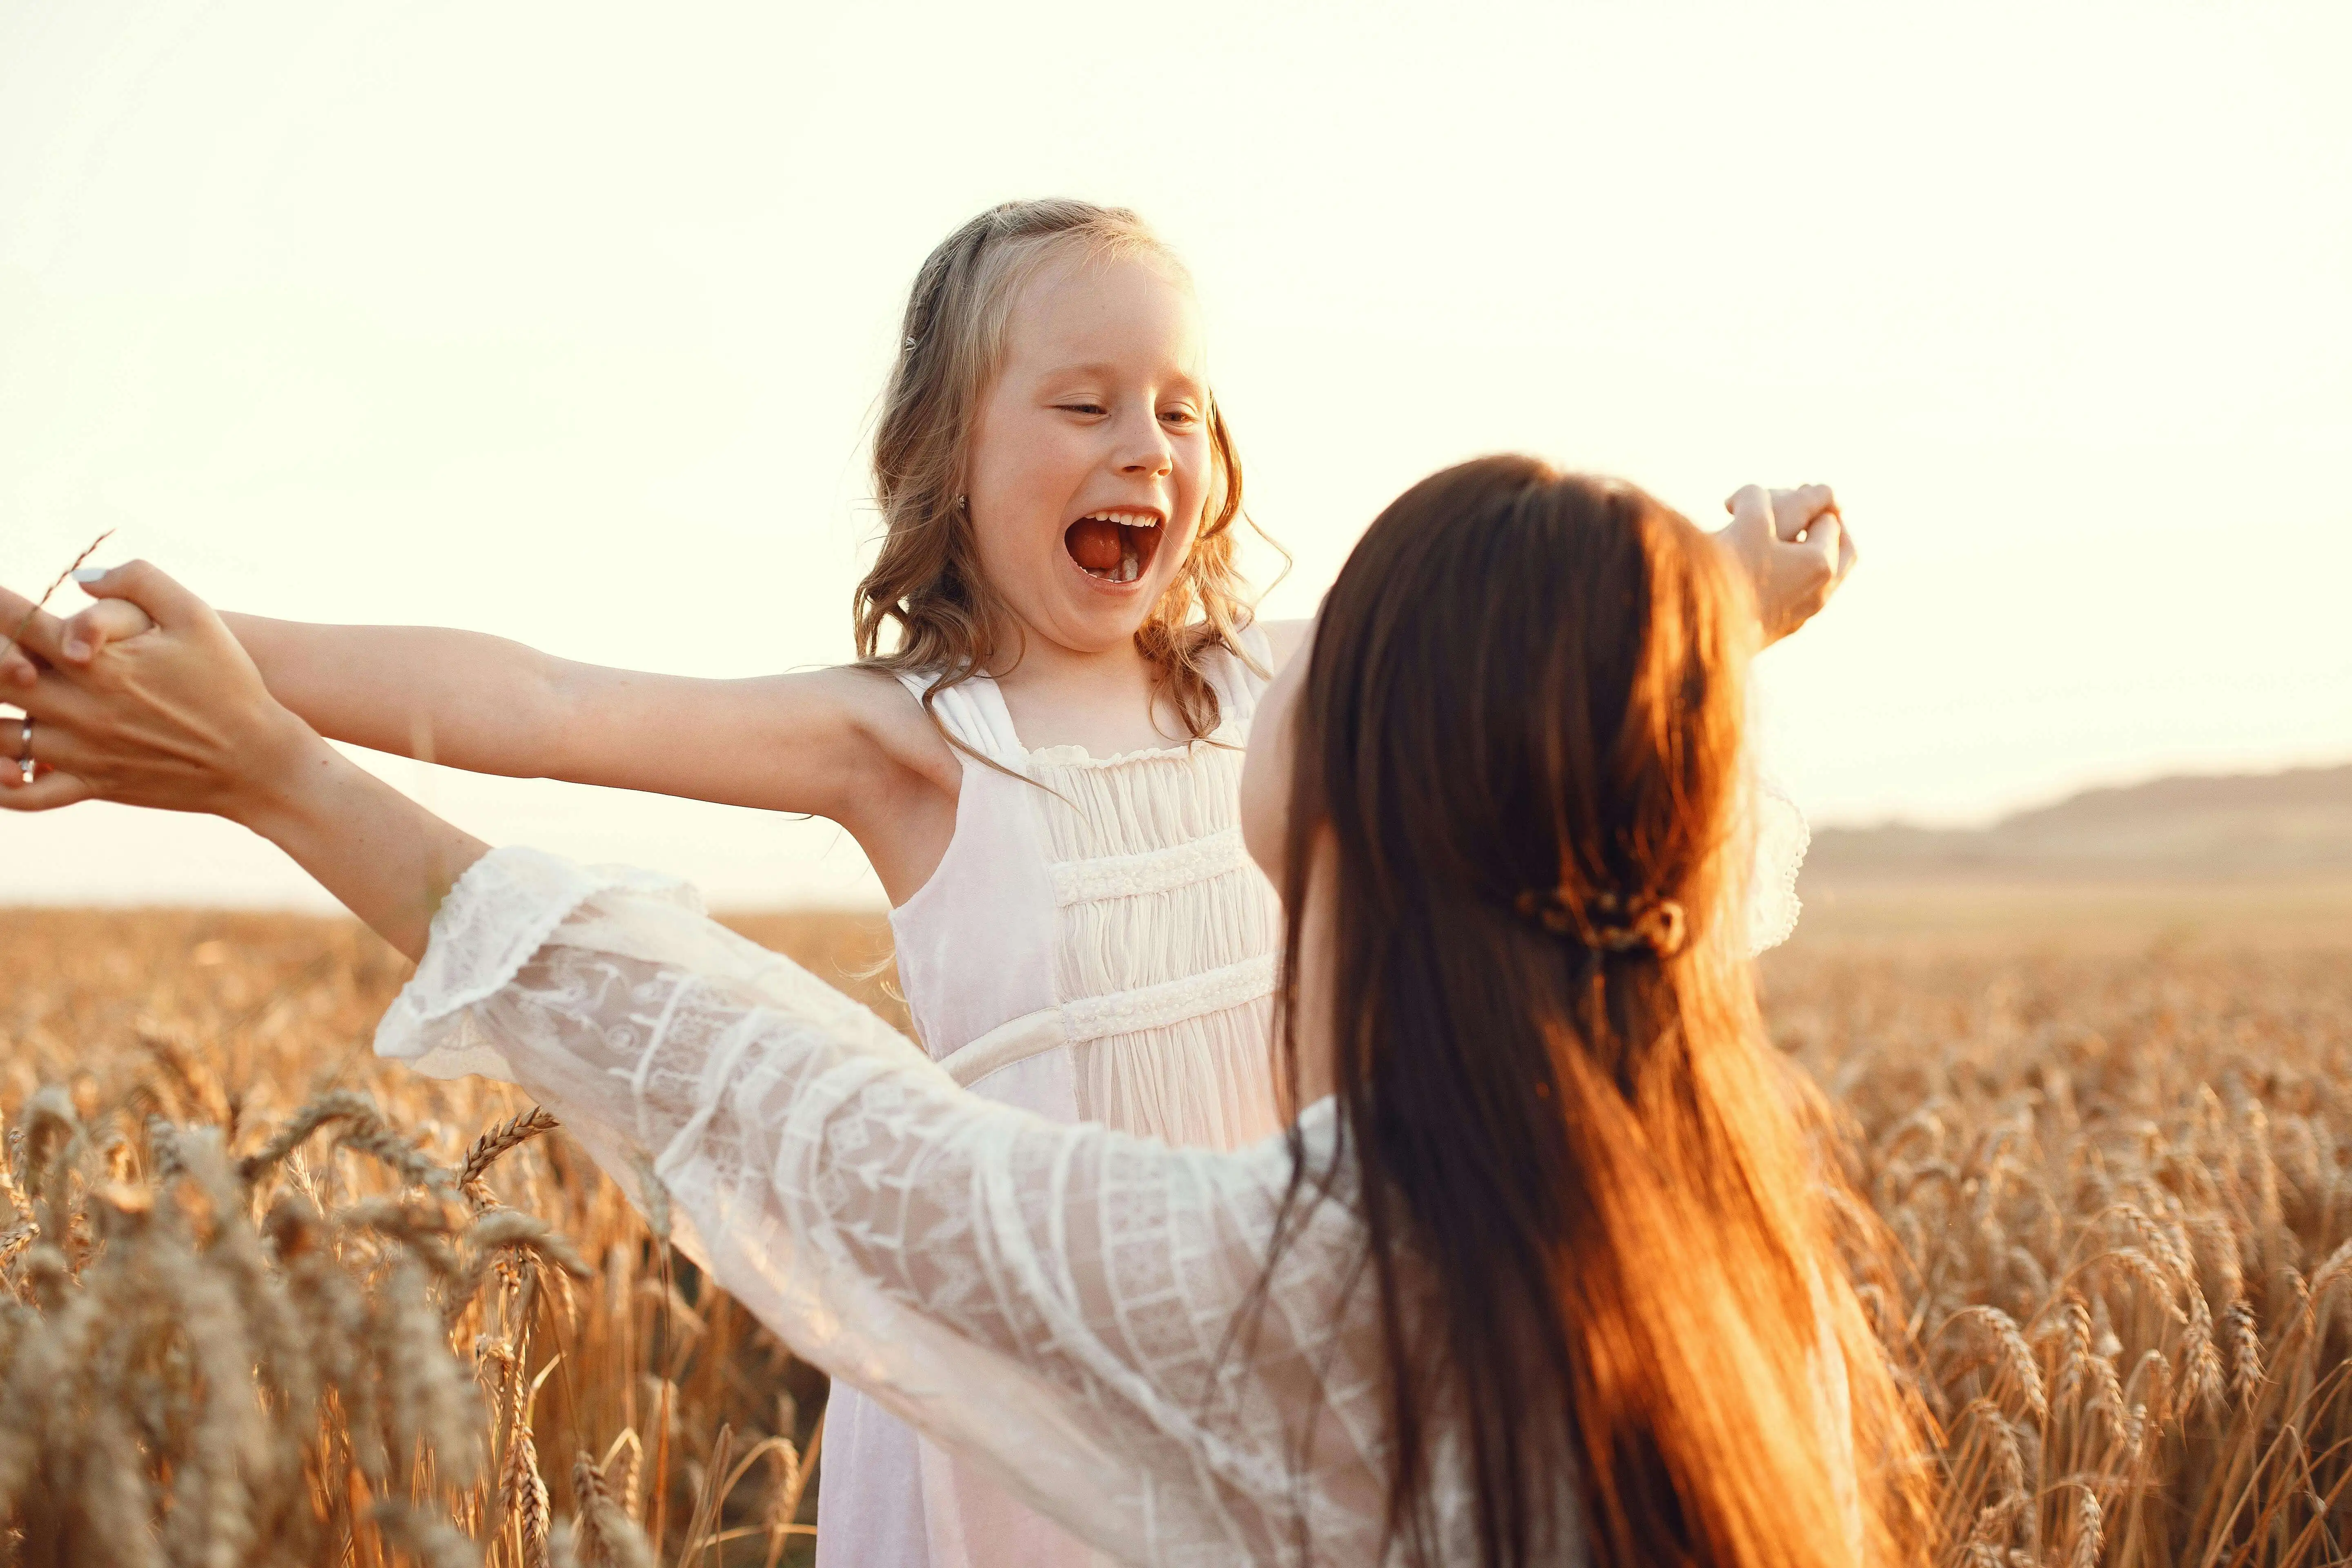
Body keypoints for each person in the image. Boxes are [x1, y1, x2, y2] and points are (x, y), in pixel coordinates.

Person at [2, 200, 1851, 1566]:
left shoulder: (1290, 679)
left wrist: (1725, 602)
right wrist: (213, 666)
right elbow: (538, 699)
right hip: (1014, 1385)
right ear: (945, 461)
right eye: (1083, 405)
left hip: (1267, 1328)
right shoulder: (916, 739)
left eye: (1183, 412)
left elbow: (1552, 699)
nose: (1145, 446)